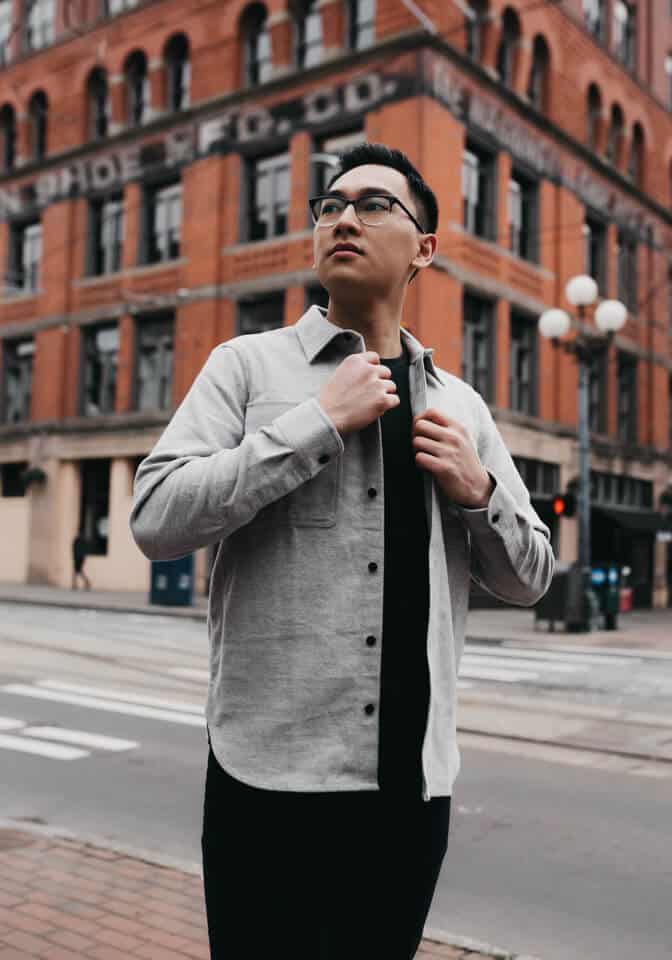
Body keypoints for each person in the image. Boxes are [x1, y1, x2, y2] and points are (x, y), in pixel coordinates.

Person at [130, 143, 554, 959]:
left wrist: (479, 492)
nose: (344, 218)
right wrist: (313, 423)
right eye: (330, 206)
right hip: (272, 781)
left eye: (372, 204)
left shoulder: (460, 405)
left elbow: (531, 576)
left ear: (424, 248)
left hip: (411, 792)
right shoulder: (246, 369)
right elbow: (155, 518)